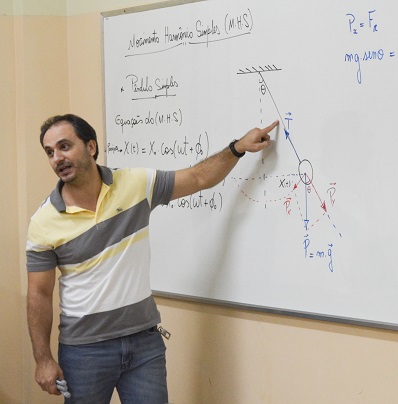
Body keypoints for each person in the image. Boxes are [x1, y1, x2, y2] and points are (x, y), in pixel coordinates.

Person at [26, 114, 278, 403]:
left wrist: (237, 148)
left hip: (144, 344)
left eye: (64, 146)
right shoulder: (43, 222)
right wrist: (42, 359)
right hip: (84, 352)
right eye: (50, 152)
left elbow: (198, 178)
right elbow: (39, 294)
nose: (57, 158)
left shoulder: (135, 184)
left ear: (91, 147)